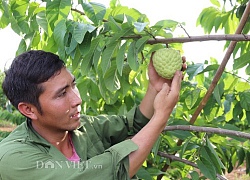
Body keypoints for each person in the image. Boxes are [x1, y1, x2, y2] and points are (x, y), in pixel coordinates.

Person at [0, 50, 186, 180]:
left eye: (73, 85)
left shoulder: (85, 127)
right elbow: (104, 174)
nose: (77, 100)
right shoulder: (13, 158)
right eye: (62, 94)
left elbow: (135, 124)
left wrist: (156, 87)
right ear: (28, 110)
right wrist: (161, 117)